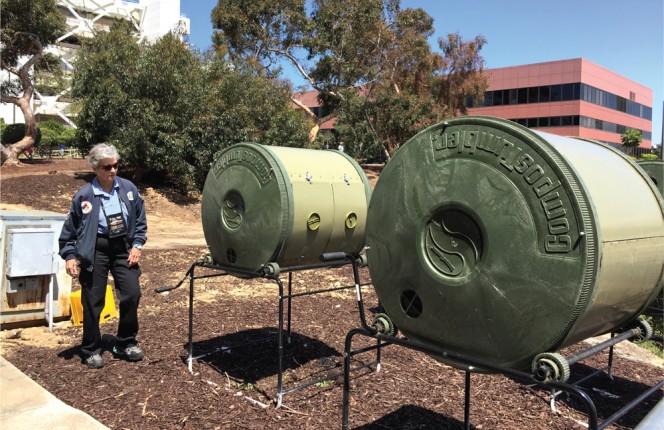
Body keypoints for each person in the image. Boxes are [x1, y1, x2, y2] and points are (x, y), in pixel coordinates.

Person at [59, 143, 147, 369]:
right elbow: (69, 231)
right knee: (92, 301)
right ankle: (91, 349)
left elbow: (139, 220)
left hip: (123, 249)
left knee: (131, 294)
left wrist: (137, 244)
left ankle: (125, 343)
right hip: (95, 251)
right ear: (96, 168)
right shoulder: (85, 195)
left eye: (116, 165)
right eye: (107, 167)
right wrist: (70, 256)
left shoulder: (128, 189)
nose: (113, 171)